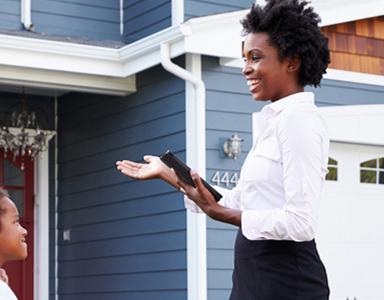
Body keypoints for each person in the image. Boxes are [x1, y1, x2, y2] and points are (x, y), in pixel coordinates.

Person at [116, 0, 331, 299]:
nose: (246, 69)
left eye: (255, 58)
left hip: (285, 280)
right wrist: (170, 175)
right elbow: (235, 200)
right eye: (244, 59)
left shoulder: (298, 120)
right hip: (252, 273)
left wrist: (221, 214)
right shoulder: (272, 122)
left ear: (292, 62)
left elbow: (301, 222)